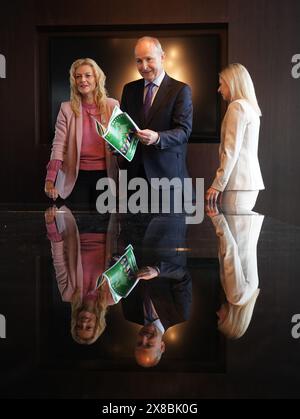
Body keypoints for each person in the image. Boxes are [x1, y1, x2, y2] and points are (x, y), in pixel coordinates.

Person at [119, 36, 193, 191]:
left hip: (167, 177)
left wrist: (157, 138)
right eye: (139, 61)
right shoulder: (129, 89)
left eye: (149, 59)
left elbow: (183, 131)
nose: (144, 66)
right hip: (134, 177)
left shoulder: (180, 90)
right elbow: (125, 128)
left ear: (162, 57)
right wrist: (115, 142)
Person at [44, 58, 119, 209]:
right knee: (77, 227)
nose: (82, 80)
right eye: (78, 76)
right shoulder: (66, 109)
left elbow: (121, 144)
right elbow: (59, 146)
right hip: (76, 176)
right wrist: (50, 180)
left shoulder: (113, 106)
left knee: (105, 226)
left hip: (106, 175)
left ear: (97, 78)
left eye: (87, 75)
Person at [121, 214, 192, 367]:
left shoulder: (129, 313)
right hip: (168, 227)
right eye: (148, 345)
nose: (144, 338)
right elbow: (184, 275)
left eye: (139, 343)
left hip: (136, 224)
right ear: (162, 346)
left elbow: (126, 275)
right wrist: (158, 270)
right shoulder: (180, 314)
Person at [44, 205, 116, 344]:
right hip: (109, 227)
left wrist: (50, 225)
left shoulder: (68, 294)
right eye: (88, 327)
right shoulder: (111, 297)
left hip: (77, 226)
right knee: (110, 186)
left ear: (74, 322)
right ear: (98, 325)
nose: (84, 323)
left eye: (79, 326)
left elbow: (58, 260)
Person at [206, 63, 265, 211]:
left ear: (232, 83)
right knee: (242, 233)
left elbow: (231, 151)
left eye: (221, 84)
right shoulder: (249, 107)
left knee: (235, 232)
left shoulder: (237, 107)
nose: (219, 90)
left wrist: (217, 184)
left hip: (238, 183)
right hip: (246, 183)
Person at [207, 204, 264, 339]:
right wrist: (216, 218)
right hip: (236, 218)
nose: (217, 315)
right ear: (231, 321)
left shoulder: (246, 296)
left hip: (243, 219)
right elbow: (230, 252)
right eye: (221, 320)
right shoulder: (236, 296)